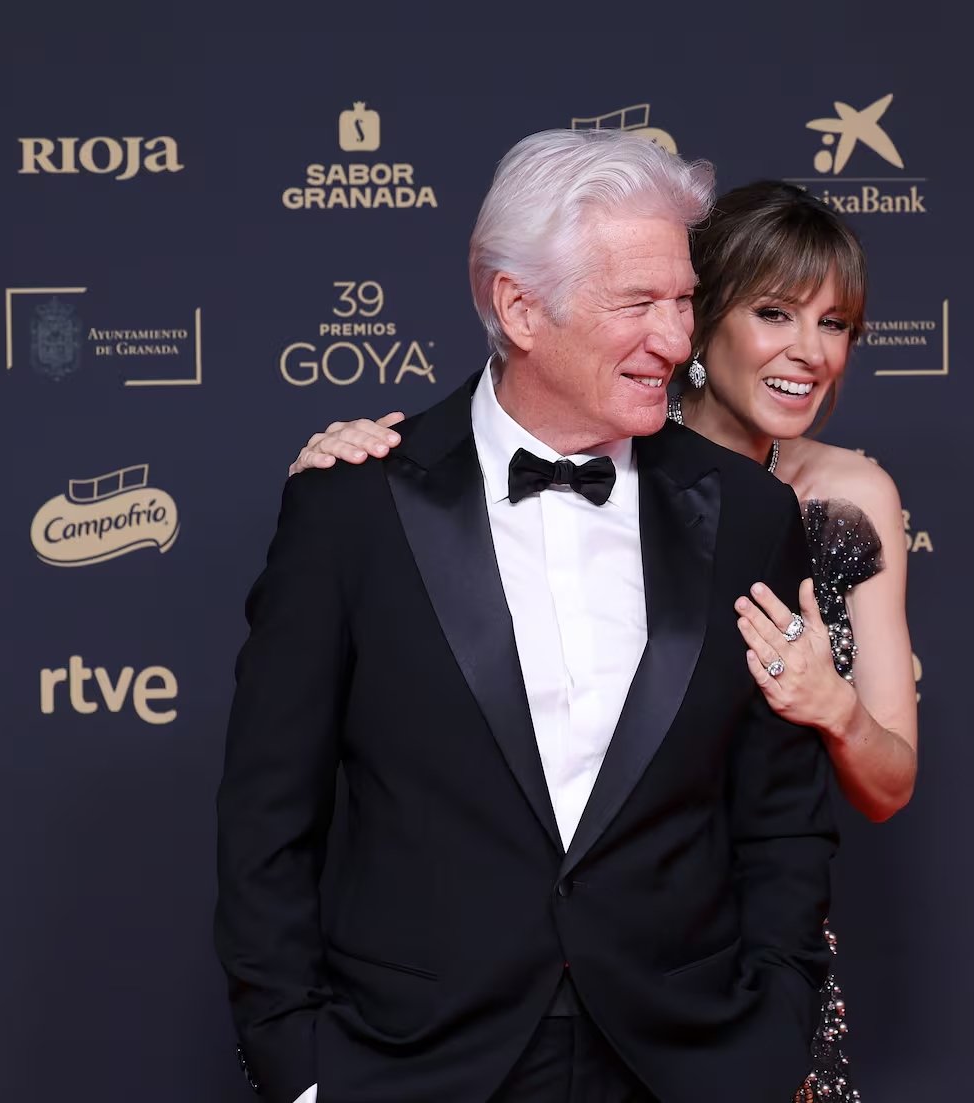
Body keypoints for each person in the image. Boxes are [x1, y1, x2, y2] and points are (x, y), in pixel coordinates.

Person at [216, 132, 837, 1103]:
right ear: (518, 306)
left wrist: (772, 1034)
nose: (676, 341)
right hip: (414, 1062)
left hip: (683, 1060)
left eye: (681, 300)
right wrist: (301, 1066)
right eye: (638, 303)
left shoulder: (750, 515)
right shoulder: (354, 507)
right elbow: (267, 817)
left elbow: (782, 816)